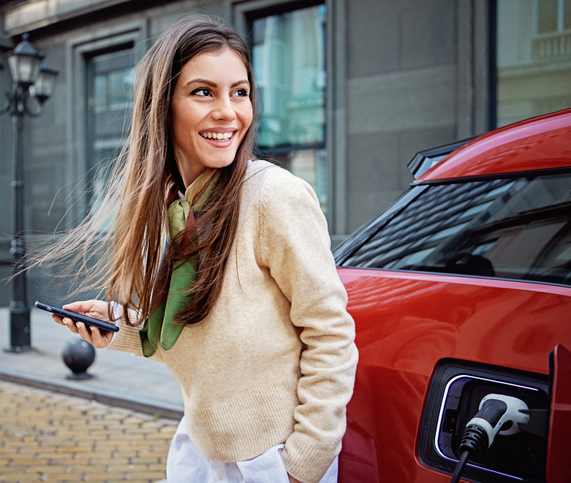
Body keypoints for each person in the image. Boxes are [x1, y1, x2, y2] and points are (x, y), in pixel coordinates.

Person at [36, 15, 358, 483]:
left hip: (269, 461)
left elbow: (331, 334)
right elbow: (213, 344)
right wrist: (121, 327)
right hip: (199, 450)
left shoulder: (273, 196)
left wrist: (305, 462)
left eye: (240, 91)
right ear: (162, 105)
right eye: (203, 92)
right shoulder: (178, 206)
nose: (229, 111)